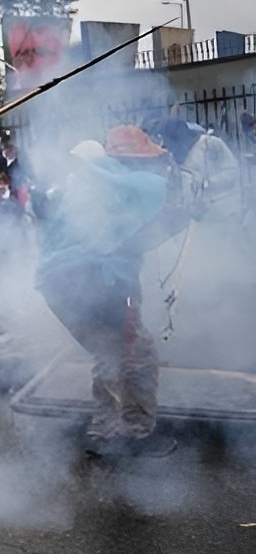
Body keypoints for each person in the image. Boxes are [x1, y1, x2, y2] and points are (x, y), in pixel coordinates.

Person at [36, 132, 186, 454]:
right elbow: (133, 236)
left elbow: (125, 233)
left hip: (59, 285)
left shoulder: (88, 186)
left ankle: (103, 431)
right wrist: (179, 217)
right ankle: (135, 434)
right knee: (136, 355)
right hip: (100, 283)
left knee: (108, 352)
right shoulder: (116, 186)